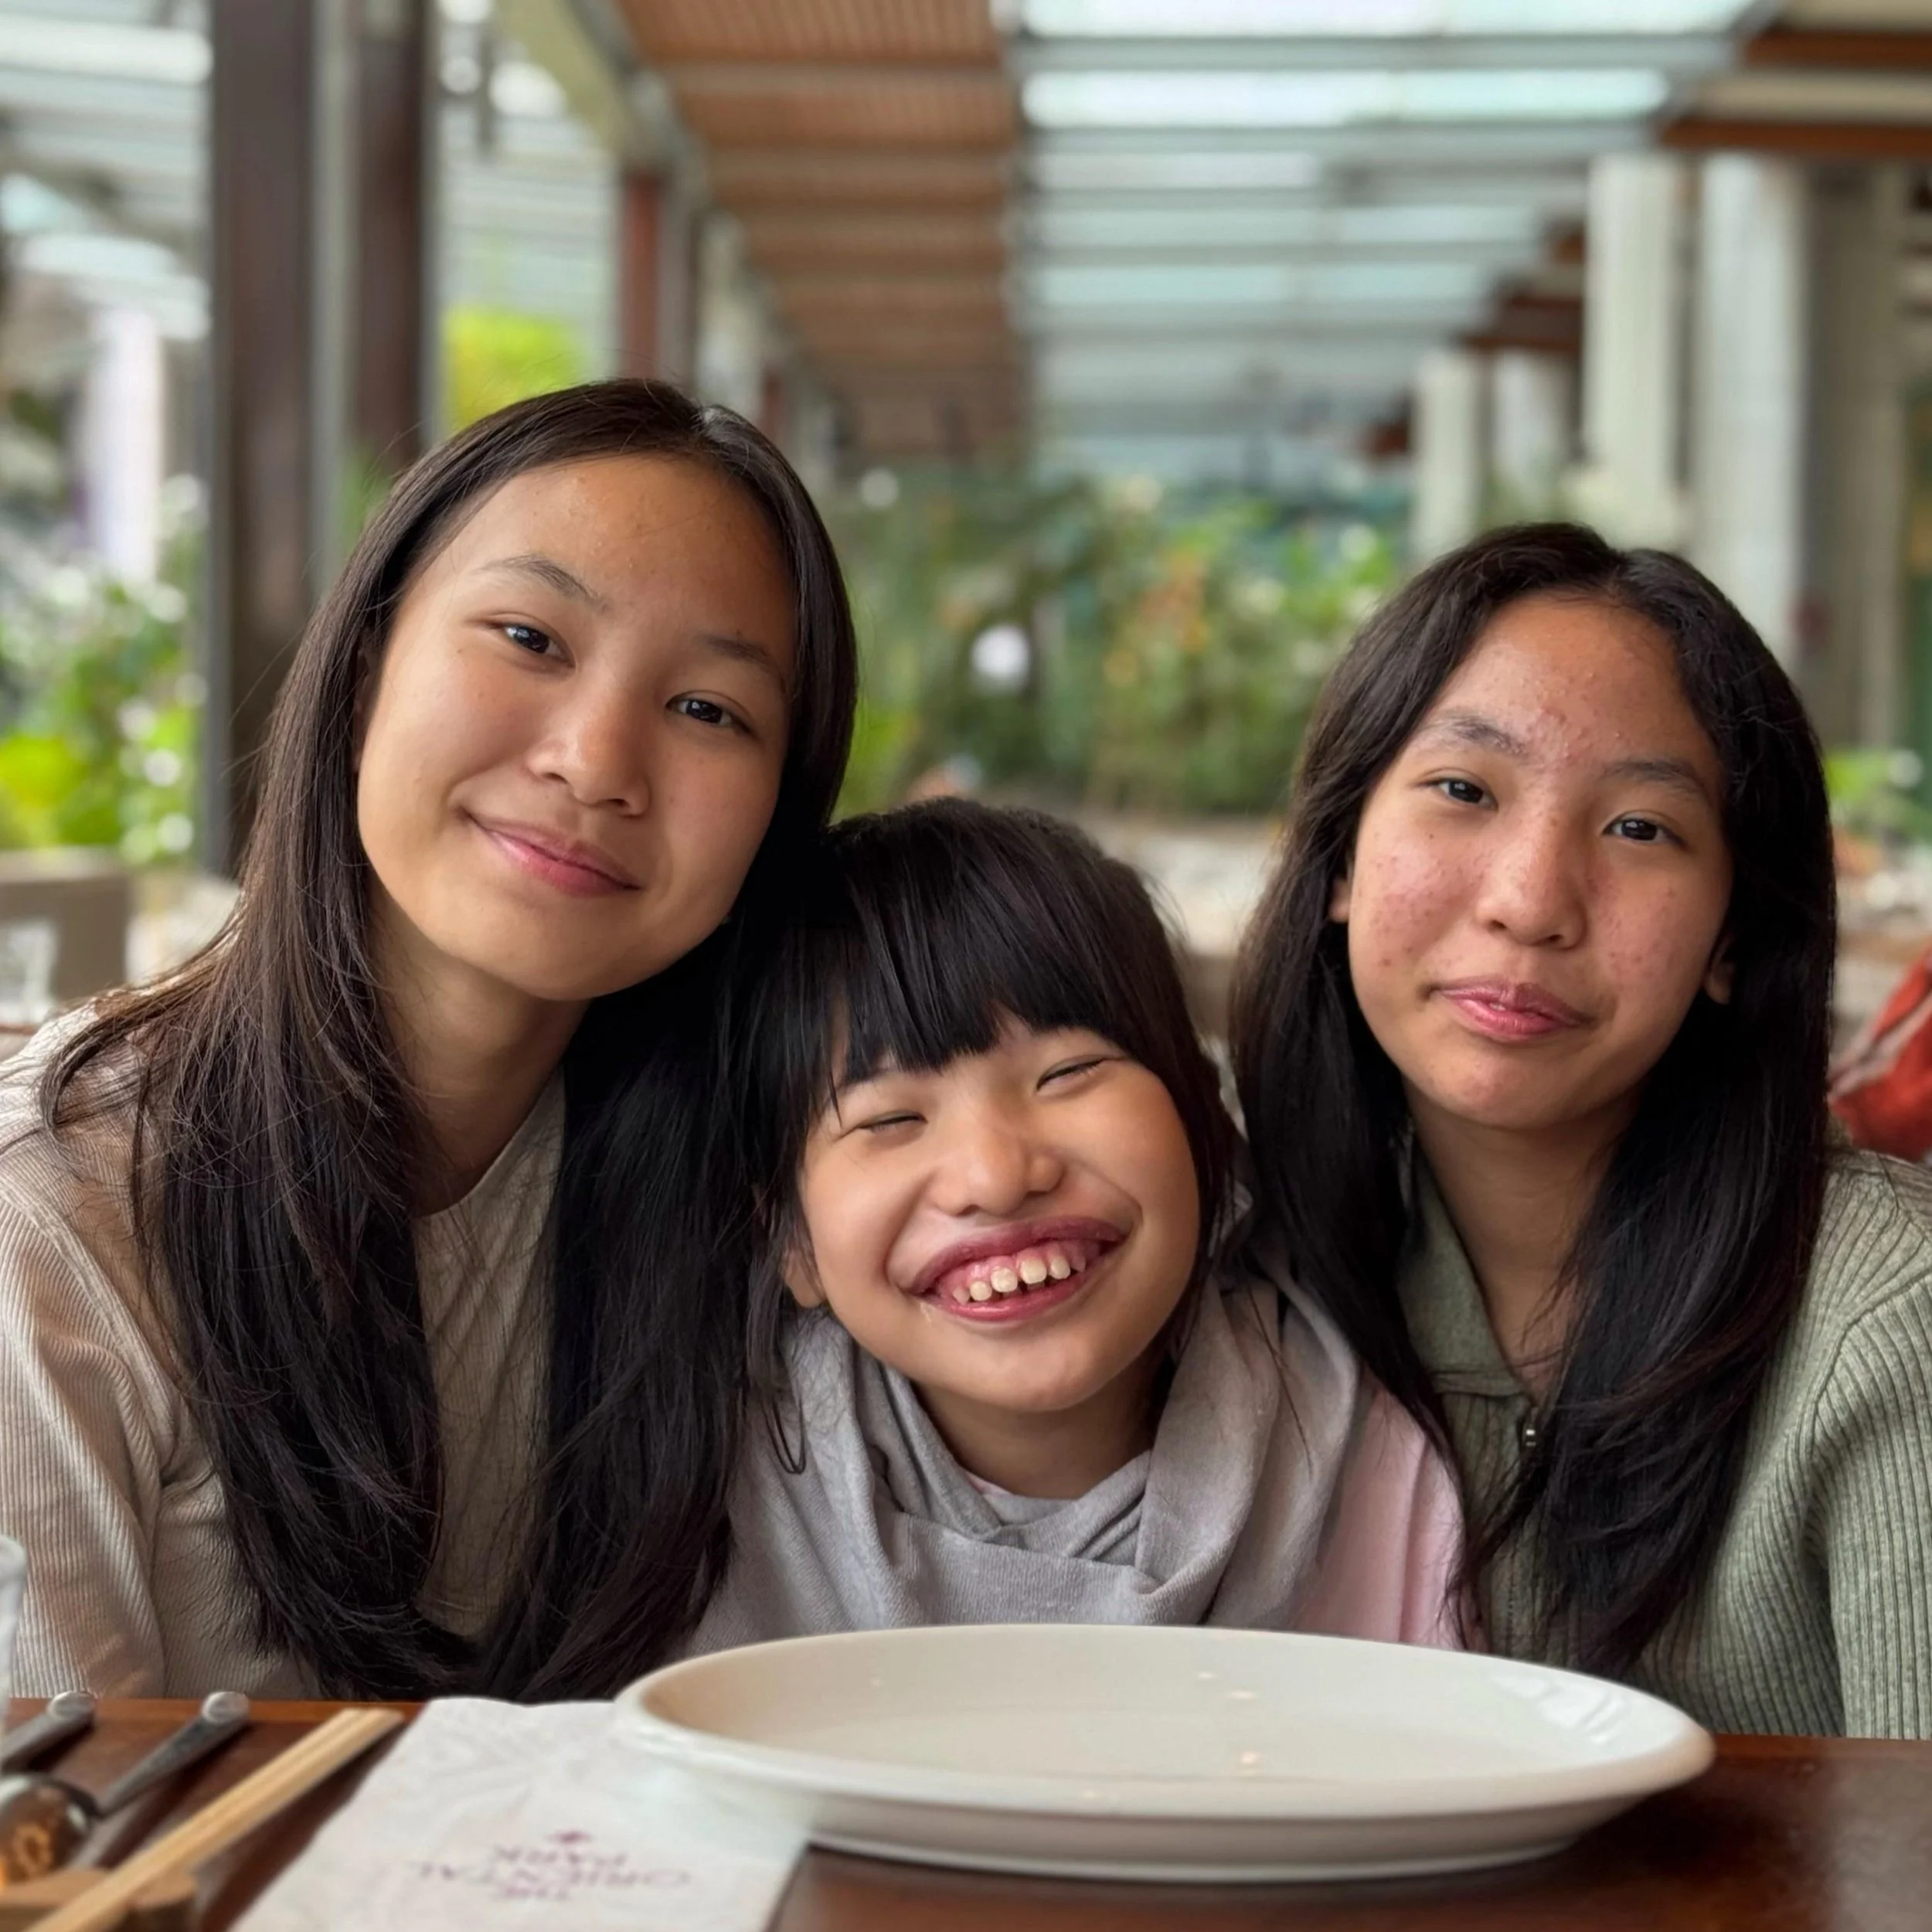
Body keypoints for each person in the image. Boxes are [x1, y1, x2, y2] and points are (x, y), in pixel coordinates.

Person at [0, 379, 855, 1700]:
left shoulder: (758, 1207)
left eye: (708, 710)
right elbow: (53, 1819)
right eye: (529, 636)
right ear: (363, 671)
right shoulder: (55, 1218)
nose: (595, 762)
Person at [1232, 521, 1932, 1738]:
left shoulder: (1890, 1318)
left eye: (1640, 828)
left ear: (1731, 940)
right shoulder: (1247, 1286)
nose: (1531, 903)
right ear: (1339, 859)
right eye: (1464, 791)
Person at [686, 799, 1461, 1655]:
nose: (996, 1175)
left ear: (1204, 1119)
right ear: (793, 1242)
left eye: (1068, 1071)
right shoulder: (701, 1503)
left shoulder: (1375, 1467)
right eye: (890, 1119)